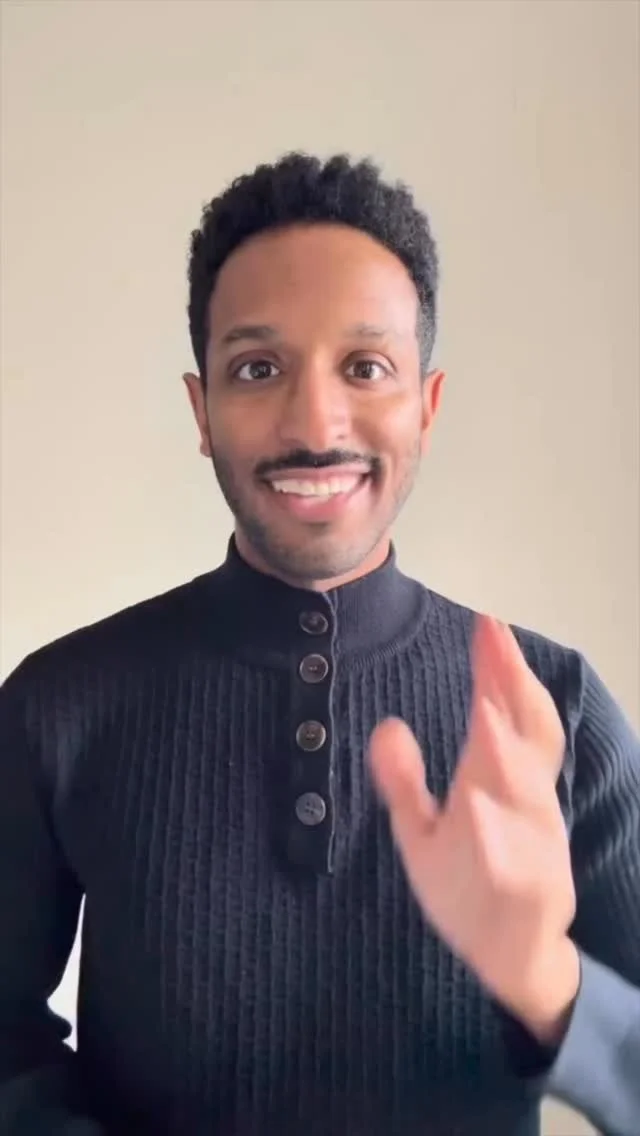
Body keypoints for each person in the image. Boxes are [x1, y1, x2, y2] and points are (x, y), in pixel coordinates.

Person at [0, 153, 638, 1136]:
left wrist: (550, 982)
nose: (313, 422)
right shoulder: (58, 704)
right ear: (201, 411)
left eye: (365, 367)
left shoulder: (555, 710)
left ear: (425, 406)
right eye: (258, 369)